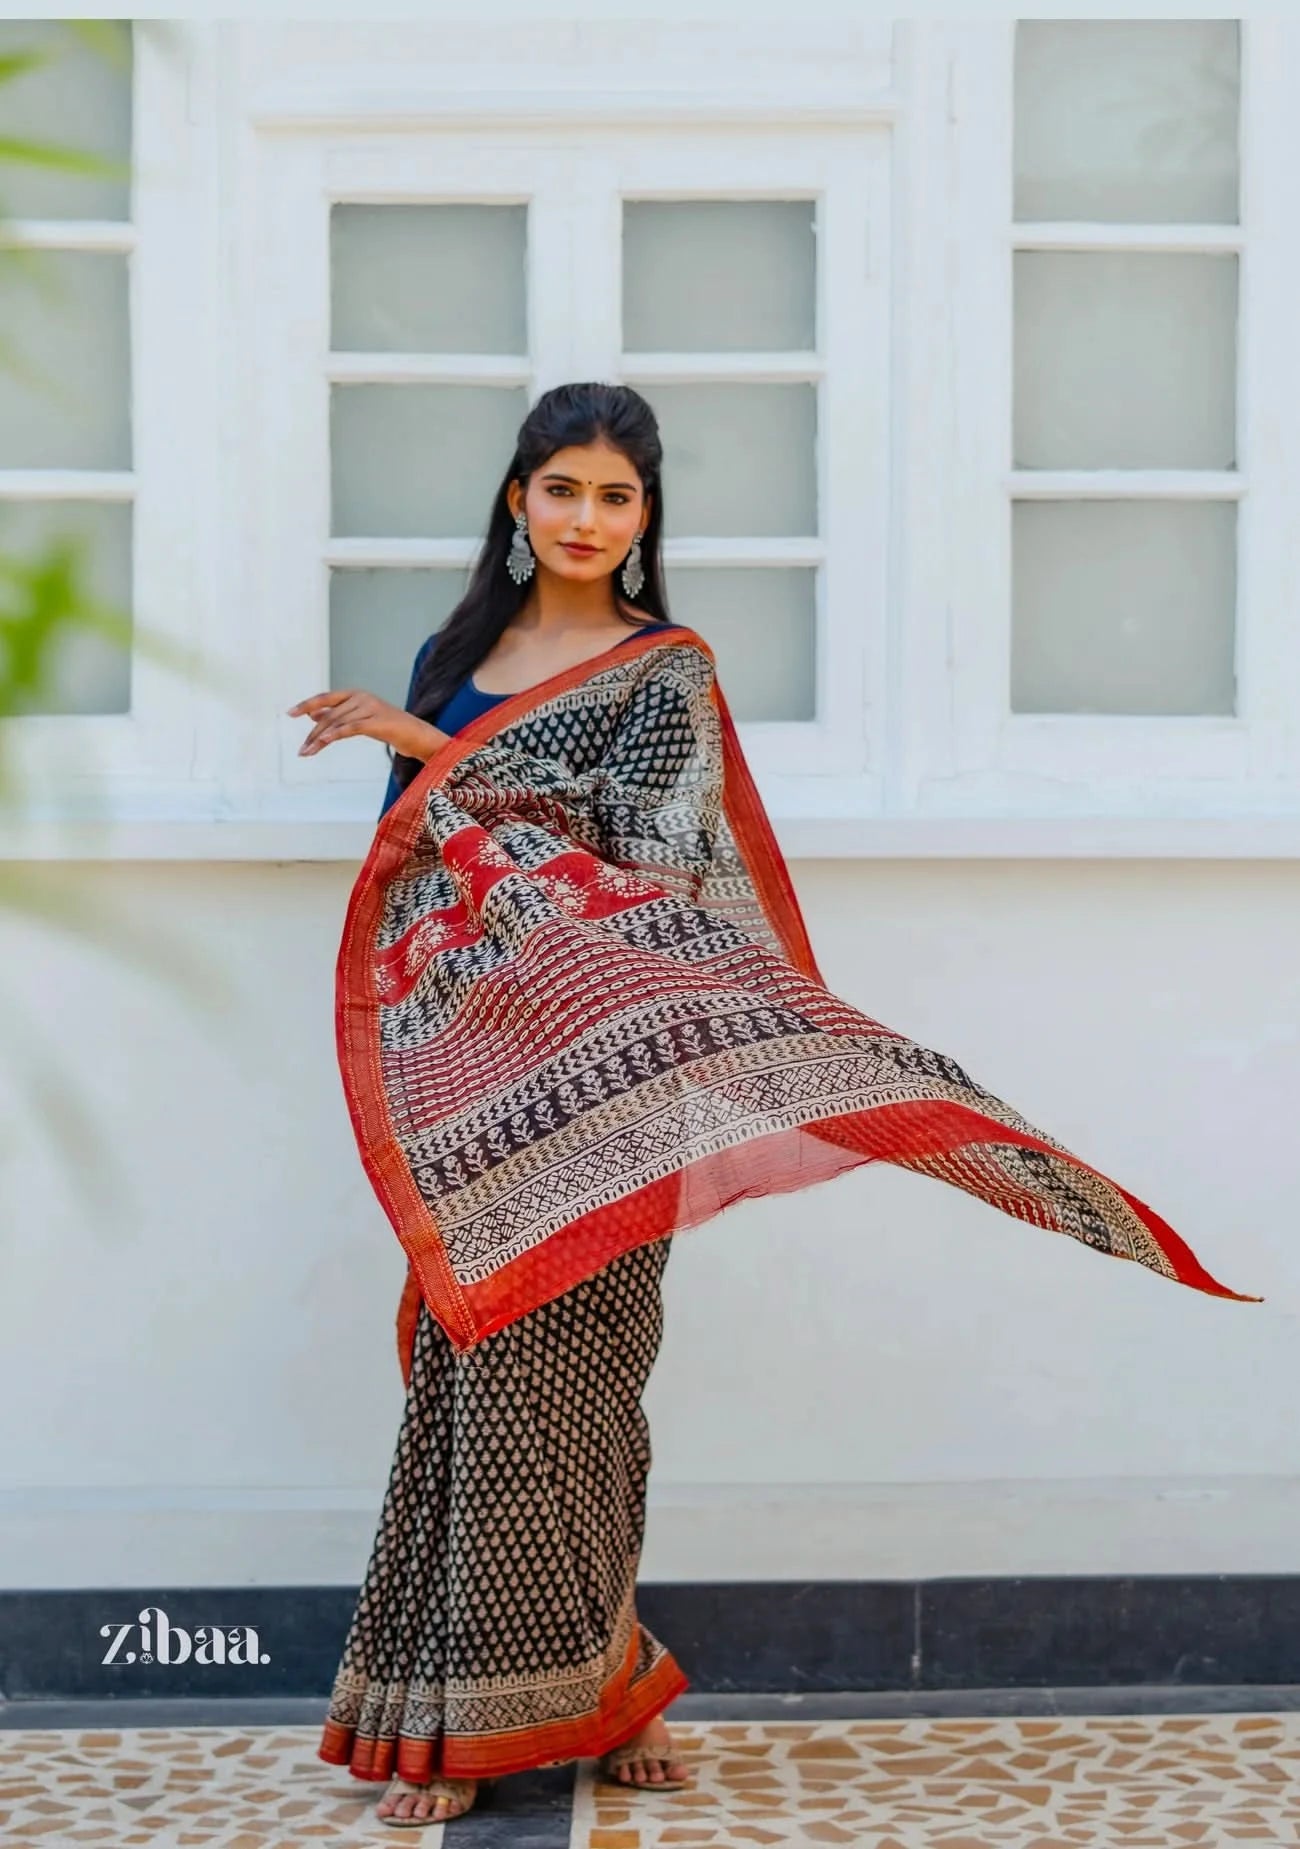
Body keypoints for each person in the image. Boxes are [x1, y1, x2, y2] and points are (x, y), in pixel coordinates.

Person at [289, 382, 1256, 1829]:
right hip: (481, 1090)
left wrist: (437, 758)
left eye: (618, 497)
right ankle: (582, 1687)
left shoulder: (661, 672)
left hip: (621, 1085)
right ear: (516, 500)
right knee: (470, 1369)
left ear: (645, 518)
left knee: (581, 1394)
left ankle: (548, 1711)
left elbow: (640, 866)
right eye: (563, 490)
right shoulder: (449, 659)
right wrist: (422, 761)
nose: (588, 519)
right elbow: (417, 873)